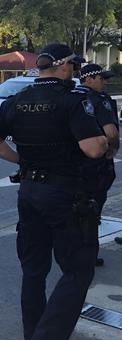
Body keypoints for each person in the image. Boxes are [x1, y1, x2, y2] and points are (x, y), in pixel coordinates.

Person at [0, 44, 108, 340]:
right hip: (65, 195)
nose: (74, 71)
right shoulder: (73, 100)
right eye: (73, 66)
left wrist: (22, 160)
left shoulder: (17, 100)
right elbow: (93, 149)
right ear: (63, 67)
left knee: (33, 271)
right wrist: (106, 141)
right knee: (78, 271)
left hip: (29, 192)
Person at [77, 64, 119, 267]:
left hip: (77, 163)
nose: (105, 82)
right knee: (91, 210)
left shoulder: (73, 97)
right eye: (101, 78)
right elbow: (111, 132)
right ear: (89, 79)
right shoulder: (99, 100)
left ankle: (76, 249)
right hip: (96, 164)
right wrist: (113, 149)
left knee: (79, 208)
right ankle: (87, 254)